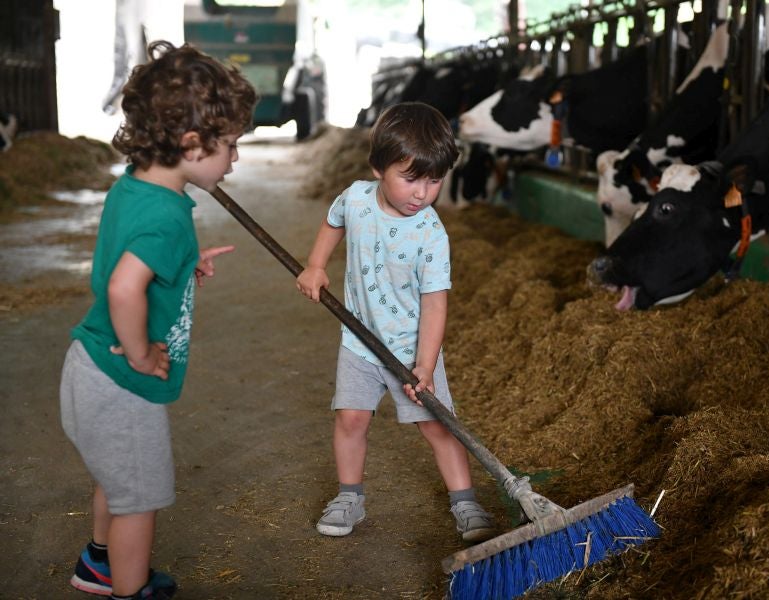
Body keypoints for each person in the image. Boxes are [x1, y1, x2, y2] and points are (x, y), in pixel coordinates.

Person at [60, 41, 256, 600]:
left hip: (88, 365)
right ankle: (130, 589)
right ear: (193, 145)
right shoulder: (169, 217)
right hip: (121, 380)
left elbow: (131, 256)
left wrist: (178, 265)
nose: (235, 159)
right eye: (232, 146)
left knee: (116, 482)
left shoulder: (135, 185)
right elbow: (124, 286)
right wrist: (143, 354)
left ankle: (98, 564)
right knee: (139, 502)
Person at [296, 101, 496, 543]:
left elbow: (436, 305)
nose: (422, 193)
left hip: (412, 349)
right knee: (350, 419)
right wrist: (315, 265)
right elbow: (334, 222)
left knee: (438, 426)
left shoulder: (430, 234)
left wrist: (425, 364)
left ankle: (464, 501)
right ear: (377, 169)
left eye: (434, 180)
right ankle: (350, 496)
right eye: (410, 178)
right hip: (359, 343)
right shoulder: (355, 198)